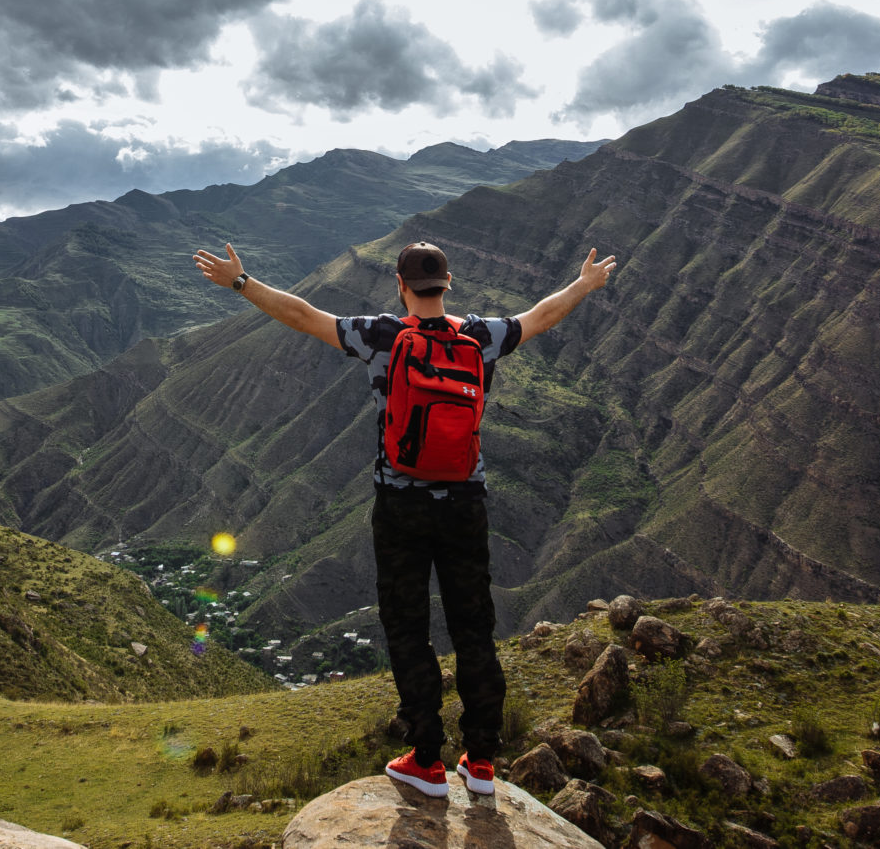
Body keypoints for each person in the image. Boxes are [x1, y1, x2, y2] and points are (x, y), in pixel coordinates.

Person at [193, 237, 617, 798]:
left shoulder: (381, 336)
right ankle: (483, 761)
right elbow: (540, 316)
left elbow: (301, 314)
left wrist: (241, 284)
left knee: (407, 628)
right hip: (466, 503)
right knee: (475, 629)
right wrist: (584, 285)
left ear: (399, 285)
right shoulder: (480, 337)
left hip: (401, 507)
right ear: (447, 285)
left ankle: (426, 758)